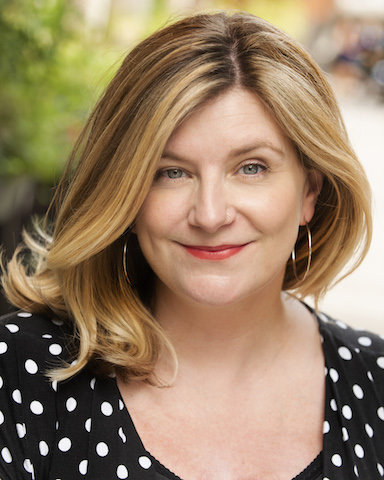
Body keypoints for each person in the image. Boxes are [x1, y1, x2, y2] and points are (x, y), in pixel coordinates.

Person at [0, 10, 382, 480]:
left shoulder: (376, 379)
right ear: (127, 196)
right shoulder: (19, 370)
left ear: (310, 192)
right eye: (171, 172)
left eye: (252, 167)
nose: (210, 214)